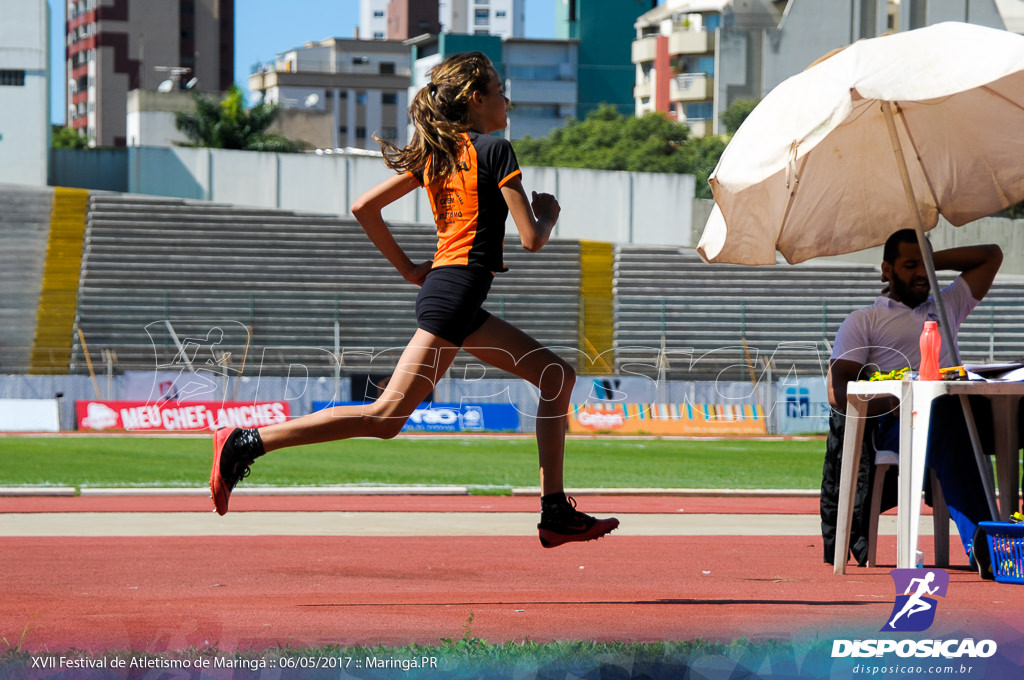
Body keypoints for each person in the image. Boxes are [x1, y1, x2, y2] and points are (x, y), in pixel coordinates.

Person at [208, 51, 619, 549]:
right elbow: (532, 239)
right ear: (477, 98)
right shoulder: (496, 150)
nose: (507, 100)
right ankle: (246, 441)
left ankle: (555, 511)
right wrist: (548, 213)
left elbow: (365, 207)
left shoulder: (438, 155)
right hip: (456, 294)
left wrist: (408, 270)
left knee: (556, 375)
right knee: (385, 418)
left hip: (453, 292)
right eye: (500, 90)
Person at [823, 229, 1003, 567]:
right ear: (887, 270)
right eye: (910, 265)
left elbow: (991, 255)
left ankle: (1012, 525)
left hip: (961, 410)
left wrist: (929, 261)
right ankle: (989, 544)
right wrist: (893, 401)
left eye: (926, 266)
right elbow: (837, 392)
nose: (921, 274)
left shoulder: (947, 305)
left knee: (1010, 414)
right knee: (945, 417)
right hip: (900, 423)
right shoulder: (865, 321)